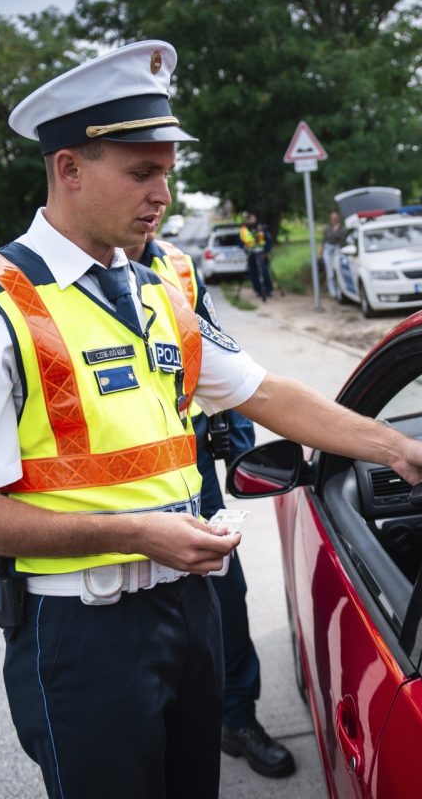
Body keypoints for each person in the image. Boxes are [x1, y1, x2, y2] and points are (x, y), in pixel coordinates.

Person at [0, 40, 422, 799]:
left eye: (167, 173)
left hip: (189, 606)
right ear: (69, 168)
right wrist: (136, 532)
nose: (163, 195)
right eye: (142, 173)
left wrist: (395, 447)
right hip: (84, 632)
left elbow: (263, 392)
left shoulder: (158, 290)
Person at [125, 229, 296, 777]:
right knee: (135, 617)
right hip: (105, 487)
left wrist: (239, 451)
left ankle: (236, 717)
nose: (159, 198)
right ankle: (147, 736)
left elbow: (223, 358)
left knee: (223, 593)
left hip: (192, 467)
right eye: (140, 183)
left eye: (163, 186)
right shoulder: (45, 281)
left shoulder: (177, 266)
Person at [239, 212, 272, 301]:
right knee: (253, 272)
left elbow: (268, 239)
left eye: (253, 218)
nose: (251, 220)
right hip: (251, 254)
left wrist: (266, 250)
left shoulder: (261, 228)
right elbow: (240, 242)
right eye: (250, 219)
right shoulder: (243, 230)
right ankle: (259, 291)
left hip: (261, 253)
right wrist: (244, 248)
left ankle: (268, 290)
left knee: (264, 271)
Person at [320, 210, 343, 299]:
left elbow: (340, 238)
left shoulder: (341, 228)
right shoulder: (327, 228)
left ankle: (339, 290)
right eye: (332, 218)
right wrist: (321, 253)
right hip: (328, 249)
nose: (334, 220)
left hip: (336, 249)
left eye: (335, 218)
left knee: (336, 269)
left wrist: (336, 231)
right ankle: (332, 292)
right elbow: (323, 241)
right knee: (330, 272)